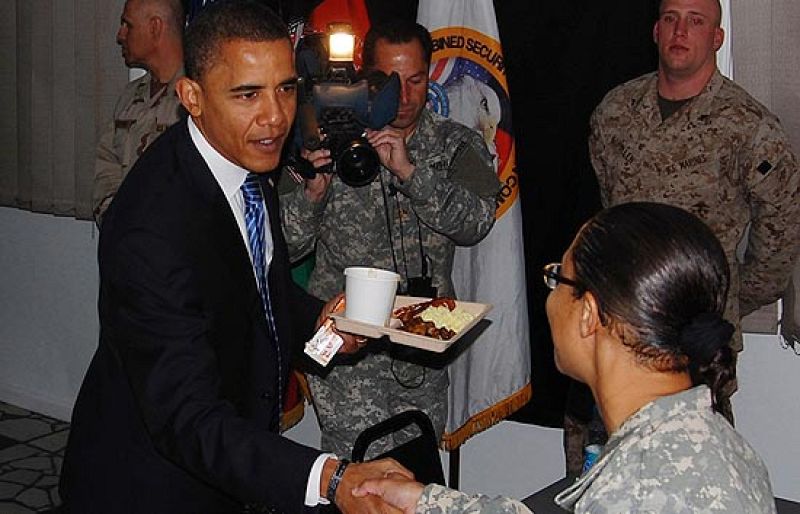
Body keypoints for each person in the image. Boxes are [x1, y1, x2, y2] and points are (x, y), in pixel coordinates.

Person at [60, 2, 410, 513]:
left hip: (225, 474)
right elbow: (187, 418)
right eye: (247, 94)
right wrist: (331, 480)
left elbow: (257, 291)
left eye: (286, 88)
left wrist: (323, 324)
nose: (275, 117)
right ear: (192, 96)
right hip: (152, 489)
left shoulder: (245, 161)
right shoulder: (149, 228)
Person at [349, 202, 777, 513]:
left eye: (559, 278)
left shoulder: (639, 487)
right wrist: (427, 502)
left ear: (589, 314)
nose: (550, 296)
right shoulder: (699, 437)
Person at [279, 20, 500, 457]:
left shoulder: (455, 144)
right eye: (389, 81)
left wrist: (412, 175)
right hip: (347, 355)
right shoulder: (322, 139)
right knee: (354, 482)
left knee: (413, 477)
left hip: (420, 350)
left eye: (416, 80)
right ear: (365, 76)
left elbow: (477, 223)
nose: (404, 94)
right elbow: (284, 247)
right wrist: (312, 193)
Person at [589, 0, 800, 351]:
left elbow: (781, 237)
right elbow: (609, 205)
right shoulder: (614, 111)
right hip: (623, 324)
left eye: (696, 21)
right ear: (656, 32)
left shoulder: (750, 127)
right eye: (670, 19)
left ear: (717, 37)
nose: (680, 31)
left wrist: (726, 300)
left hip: (698, 335)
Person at [92, 0, 186, 225]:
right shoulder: (131, 95)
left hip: (174, 246)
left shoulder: (197, 98)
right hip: (126, 245)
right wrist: (116, 223)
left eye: (127, 25)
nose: (120, 35)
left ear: (155, 27)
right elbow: (107, 166)